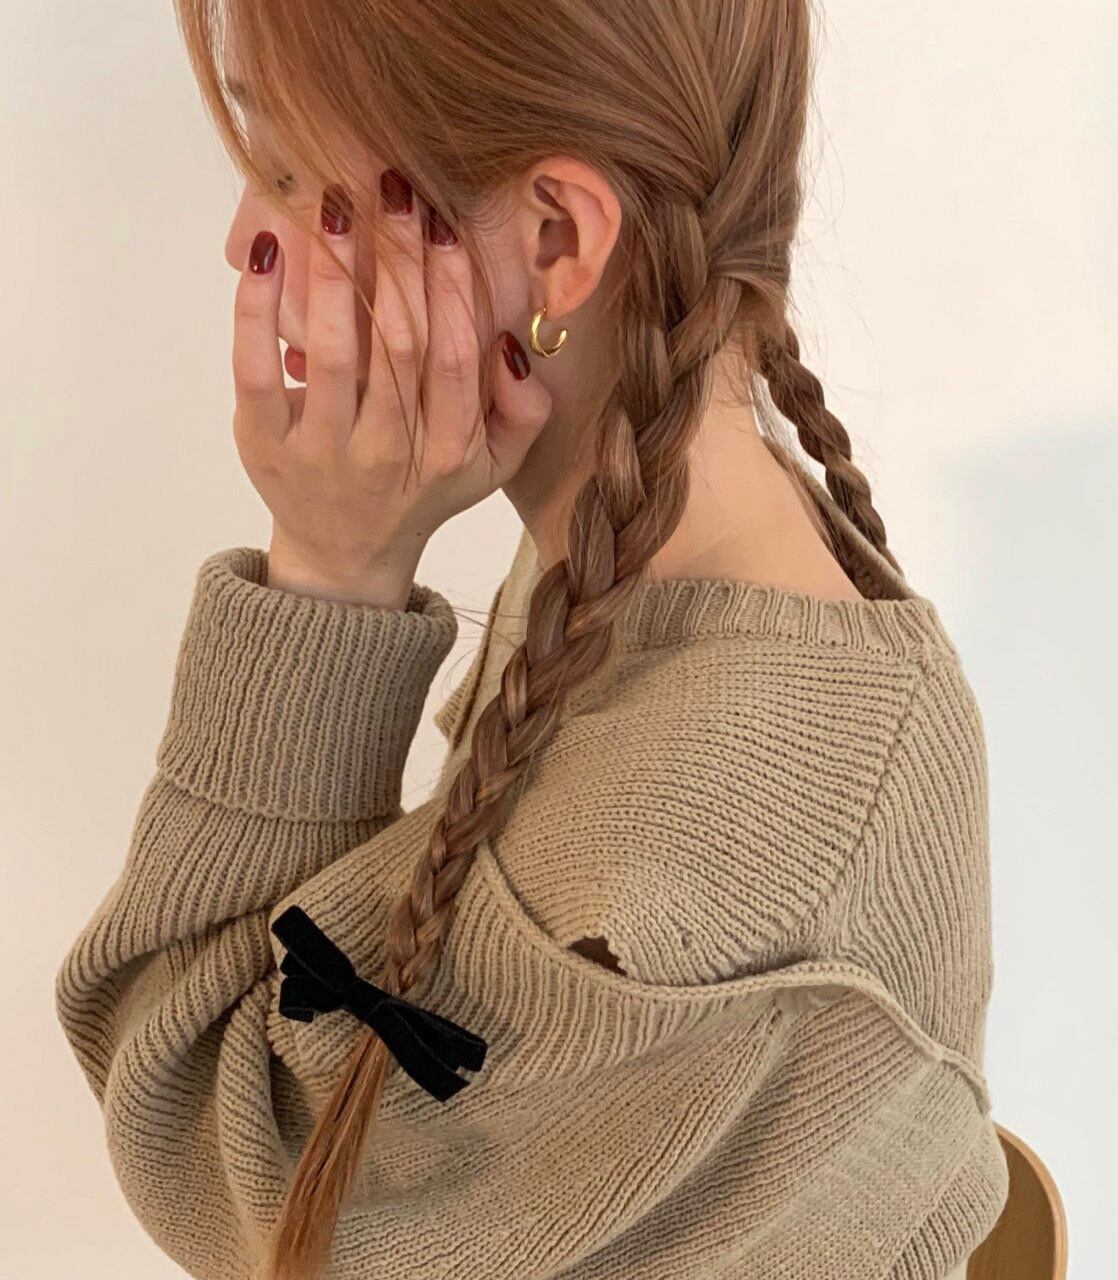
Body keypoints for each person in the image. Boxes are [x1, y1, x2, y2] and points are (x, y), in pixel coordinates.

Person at [53, 3, 1008, 1278]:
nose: (243, 237)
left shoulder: (697, 849)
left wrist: (330, 574)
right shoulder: (659, 568)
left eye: (284, 169)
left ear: (556, 238)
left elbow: (214, 1136)